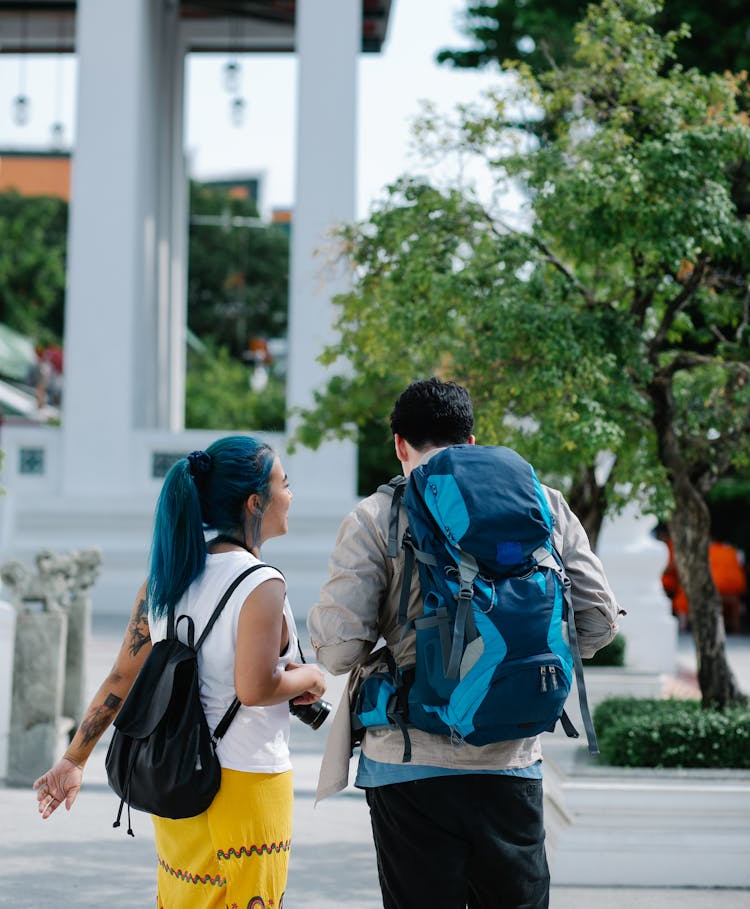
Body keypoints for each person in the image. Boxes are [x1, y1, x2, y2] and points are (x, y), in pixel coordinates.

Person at [308, 378, 621, 909]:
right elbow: (597, 625)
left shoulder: (375, 518)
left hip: (409, 760)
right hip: (512, 758)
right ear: (472, 441)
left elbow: (338, 651)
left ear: (400, 445)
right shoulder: (545, 504)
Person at [34, 436, 326, 908]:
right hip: (247, 777)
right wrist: (310, 678)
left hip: (180, 777)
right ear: (256, 502)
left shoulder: (166, 579)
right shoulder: (261, 582)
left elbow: (119, 679)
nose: (292, 496)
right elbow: (254, 688)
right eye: (285, 485)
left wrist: (74, 759)